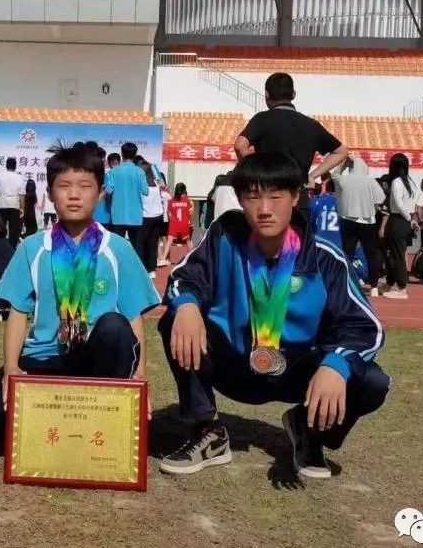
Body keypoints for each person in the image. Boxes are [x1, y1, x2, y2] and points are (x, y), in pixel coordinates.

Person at [158, 152, 387, 480]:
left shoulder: (325, 258)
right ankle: (207, 430)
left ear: (295, 196)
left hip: (297, 371)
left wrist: (336, 363)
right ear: (239, 199)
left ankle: (309, 431)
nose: (264, 209)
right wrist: (188, 305)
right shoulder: (225, 237)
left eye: (275, 196)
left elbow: (365, 327)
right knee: (176, 320)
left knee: (373, 382)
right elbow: (184, 277)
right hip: (232, 365)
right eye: (252, 197)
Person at [0, 142, 160, 446]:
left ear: (100, 193)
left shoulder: (117, 249)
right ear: (50, 193)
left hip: (95, 361)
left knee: (113, 324)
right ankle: (53, 430)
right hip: (44, 358)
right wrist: (11, 370)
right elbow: (18, 313)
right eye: (64, 186)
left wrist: (139, 378)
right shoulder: (33, 247)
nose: (74, 194)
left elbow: (133, 317)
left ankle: (91, 421)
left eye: (85, 186)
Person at [234, 72, 349, 213]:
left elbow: (240, 146)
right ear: (293, 94)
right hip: (298, 196)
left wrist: (256, 172)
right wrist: (313, 175)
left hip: (268, 196)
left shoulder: (262, 119)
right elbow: (341, 151)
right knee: (297, 234)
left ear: (267, 94)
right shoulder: (311, 124)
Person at [333, 157, 386, 298]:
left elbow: (334, 175)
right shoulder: (370, 181)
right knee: (371, 256)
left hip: (348, 221)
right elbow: (381, 198)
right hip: (368, 222)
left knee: (347, 254)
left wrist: (343, 164)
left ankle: (345, 283)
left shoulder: (345, 180)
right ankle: (374, 287)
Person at [380, 153, 419, 300]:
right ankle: (391, 283)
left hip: (398, 220)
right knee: (397, 254)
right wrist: (412, 219)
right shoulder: (411, 181)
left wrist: (408, 218)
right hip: (406, 221)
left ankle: (402, 288)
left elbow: (398, 203)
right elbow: (411, 204)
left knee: (396, 256)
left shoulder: (396, 182)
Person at [104, 142, 149, 255]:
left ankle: (118, 271)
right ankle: (136, 271)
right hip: (135, 216)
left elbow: (108, 191)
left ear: (122, 153)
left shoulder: (113, 171)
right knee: (137, 248)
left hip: (118, 215)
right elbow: (146, 191)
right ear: (135, 154)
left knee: (117, 249)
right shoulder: (140, 172)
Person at [137, 159, 164, 276]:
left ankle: (142, 268)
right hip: (158, 216)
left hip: (146, 217)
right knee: (153, 243)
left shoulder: (141, 187)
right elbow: (163, 184)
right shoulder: (156, 184)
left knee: (141, 243)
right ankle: (152, 269)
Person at [0, 157, 25, 247]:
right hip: (14, 205)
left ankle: (0, 246)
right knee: (13, 229)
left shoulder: (0, 175)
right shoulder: (19, 177)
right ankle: (11, 248)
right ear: (15, 166)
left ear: (6, 165)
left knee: (0, 227)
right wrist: (22, 208)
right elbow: (21, 195)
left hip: (2, 204)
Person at [309, 178, 341, 250]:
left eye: (323, 184)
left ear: (327, 188)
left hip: (320, 245)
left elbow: (311, 224)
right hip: (339, 247)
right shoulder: (345, 203)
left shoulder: (316, 202)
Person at [166, 183, 194, 259]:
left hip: (174, 223)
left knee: (169, 241)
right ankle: (193, 258)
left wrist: (172, 222)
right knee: (188, 242)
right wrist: (191, 223)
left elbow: (169, 214)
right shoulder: (187, 201)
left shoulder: (171, 201)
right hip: (184, 223)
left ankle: (163, 258)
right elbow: (190, 213)